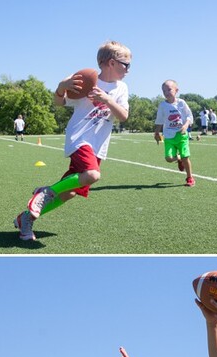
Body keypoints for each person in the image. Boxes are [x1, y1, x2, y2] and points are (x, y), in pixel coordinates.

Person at [14, 40, 131, 242]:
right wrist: (61, 87)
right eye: (126, 64)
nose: (129, 69)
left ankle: (25, 219)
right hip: (80, 138)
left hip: (98, 145)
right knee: (93, 175)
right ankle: (46, 192)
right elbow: (59, 102)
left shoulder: (122, 88)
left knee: (69, 193)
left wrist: (108, 100)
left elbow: (123, 116)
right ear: (111, 63)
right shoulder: (85, 79)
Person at [154, 80, 195, 187]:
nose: (166, 92)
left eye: (169, 89)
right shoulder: (163, 105)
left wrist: (186, 126)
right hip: (168, 136)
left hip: (181, 135)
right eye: (164, 91)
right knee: (168, 158)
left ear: (176, 90)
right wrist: (157, 132)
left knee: (186, 157)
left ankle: (190, 178)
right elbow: (159, 120)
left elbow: (189, 117)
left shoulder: (181, 103)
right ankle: (178, 159)